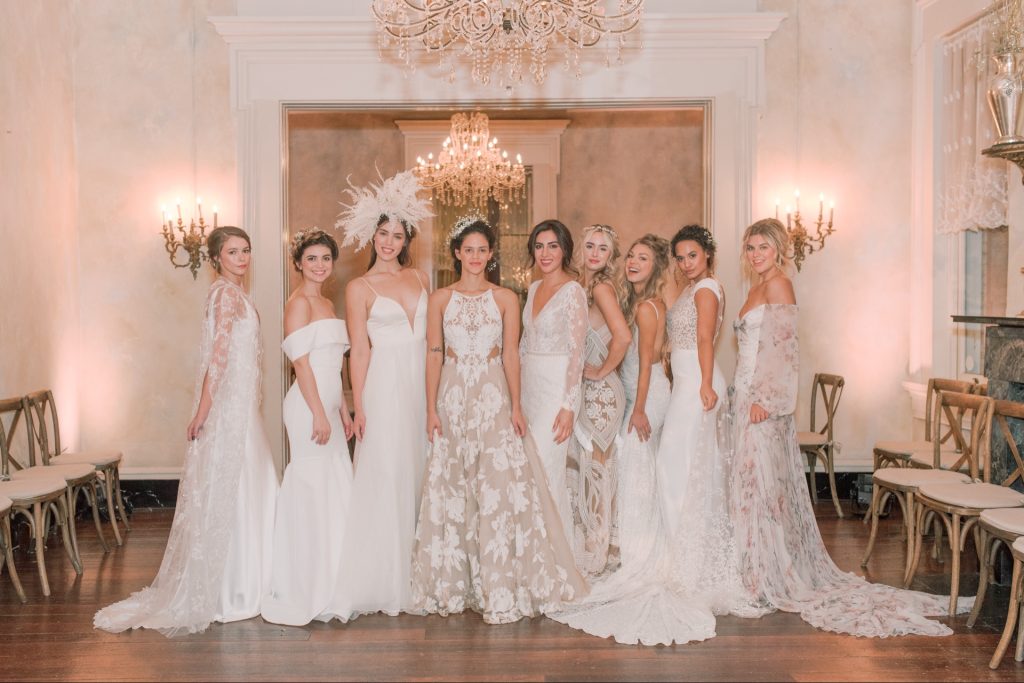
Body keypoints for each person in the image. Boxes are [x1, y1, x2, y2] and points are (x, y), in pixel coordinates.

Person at [729, 217, 968, 637]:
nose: (756, 254)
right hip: (745, 398)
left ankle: (770, 575)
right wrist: (742, 396)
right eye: (750, 247)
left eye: (763, 246)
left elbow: (784, 352)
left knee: (764, 488)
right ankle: (754, 569)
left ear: (779, 249)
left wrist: (765, 400)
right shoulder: (755, 288)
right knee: (751, 486)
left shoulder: (780, 284)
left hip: (763, 405)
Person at [95, 226, 278, 636]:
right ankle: (236, 587)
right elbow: (219, 357)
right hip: (229, 410)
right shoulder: (225, 296)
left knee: (247, 486)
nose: (242, 258)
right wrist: (203, 412)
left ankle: (248, 580)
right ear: (216, 258)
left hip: (242, 408)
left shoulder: (234, 294)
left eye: (246, 250)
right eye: (233, 252)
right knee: (240, 488)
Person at [410, 217, 586, 624]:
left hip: (493, 395)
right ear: (457, 253)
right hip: (453, 394)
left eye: (482, 250)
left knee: (496, 482)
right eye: (468, 250)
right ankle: (455, 582)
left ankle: (499, 582)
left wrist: (516, 406)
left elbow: (511, 354)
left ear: (491, 254)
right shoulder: (439, 299)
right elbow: (434, 353)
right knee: (454, 481)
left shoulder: (506, 297)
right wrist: (431, 407)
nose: (475, 257)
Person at [549, 235, 719, 646]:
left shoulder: (646, 307)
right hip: (644, 391)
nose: (632, 262)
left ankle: (640, 551)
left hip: (647, 395)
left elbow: (644, 365)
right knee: (638, 467)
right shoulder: (645, 302)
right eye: (631, 256)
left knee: (635, 464)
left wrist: (637, 407)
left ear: (656, 265)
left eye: (643, 258)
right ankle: (633, 545)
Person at [320, 169, 433, 621]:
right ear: (372, 235)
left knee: (421, 468)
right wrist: (359, 405)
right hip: (384, 387)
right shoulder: (359, 288)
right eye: (383, 234)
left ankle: (423, 570)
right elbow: (359, 351)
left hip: (422, 386)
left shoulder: (421, 278)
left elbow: (435, 344)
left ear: (407, 240)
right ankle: (385, 576)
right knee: (386, 471)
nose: (389, 242)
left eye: (397, 235)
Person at [261, 229, 354, 626]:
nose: (319, 265)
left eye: (326, 258)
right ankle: (307, 581)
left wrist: (343, 409)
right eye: (312, 258)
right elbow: (301, 364)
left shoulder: (328, 303)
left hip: (329, 404)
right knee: (313, 487)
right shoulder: (297, 304)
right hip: (306, 406)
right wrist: (318, 412)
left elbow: (336, 364)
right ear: (298, 263)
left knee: (335, 484)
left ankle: (335, 577)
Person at [656, 225, 748, 612]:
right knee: (684, 467)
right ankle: (683, 552)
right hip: (686, 383)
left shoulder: (707, 288)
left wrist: (706, 384)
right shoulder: (693, 288)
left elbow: (705, 338)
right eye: (680, 257)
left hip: (697, 386)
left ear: (707, 254)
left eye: (692, 255)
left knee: (677, 465)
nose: (685, 263)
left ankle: (691, 558)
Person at [519, 219, 588, 547]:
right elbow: (524, 344)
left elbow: (577, 352)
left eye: (552, 246)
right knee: (528, 471)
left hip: (556, 391)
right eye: (539, 246)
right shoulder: (533, 288)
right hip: (529, 390)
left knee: (547, 471)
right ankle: (532, 554)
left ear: (564, 251)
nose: (545, 253)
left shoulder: (573, 292)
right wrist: (516, 396)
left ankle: (558, 556)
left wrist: (568, 406)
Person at [567, 224, 630, 577]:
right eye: (590, 246)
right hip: (585, 392)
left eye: (602, 249)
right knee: (588, 468)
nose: (594, 253)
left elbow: (623, 337)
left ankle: (598, 553)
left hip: (602, 394)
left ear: (610, 256)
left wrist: (602, 370)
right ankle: (591, 547)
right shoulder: (580, 286)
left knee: (597, 470)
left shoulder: (602, 288)